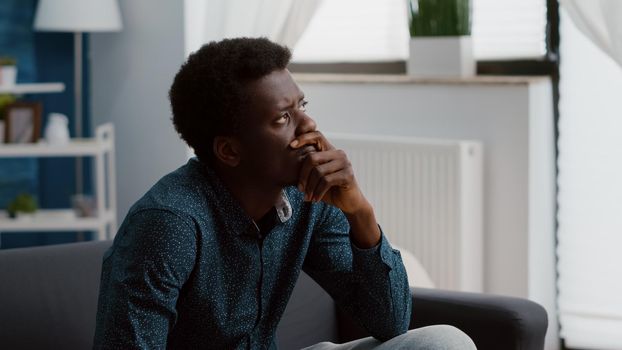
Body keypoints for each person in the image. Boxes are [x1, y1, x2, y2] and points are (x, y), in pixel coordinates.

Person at [93, 37, 476, 350]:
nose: (308, 125)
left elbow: (391, 323)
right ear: (229, 150)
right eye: (283, 117)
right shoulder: (168, 224)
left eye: (302, 106)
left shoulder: (307, 201)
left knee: (444, 343)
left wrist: (359, 211)